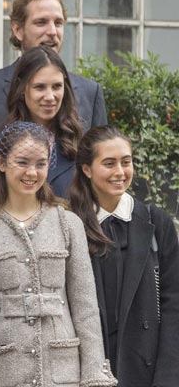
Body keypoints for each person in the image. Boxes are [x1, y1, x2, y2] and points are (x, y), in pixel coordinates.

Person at [0, 121, 116, 387]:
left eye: (40, 164)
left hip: (62, 367)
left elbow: (85, 307)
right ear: (1, 163)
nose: (31, 172)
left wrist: (94, 374)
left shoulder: (67, 223)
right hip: (2, 368)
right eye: (22, 162)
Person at [69, 125, 179, 385]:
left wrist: (168, 378)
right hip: (88, 371)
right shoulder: (70, 224)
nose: (120, 172)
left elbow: (174, 304)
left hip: (148, 372)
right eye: (109, 163)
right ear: (87, 169)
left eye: (126, 162)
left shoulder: (157, 223)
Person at [0, 0, 107, 139]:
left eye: (58, 23)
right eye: (41, 22)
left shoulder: (90, 93)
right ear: (18, 30)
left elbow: (101, 156)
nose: (52, 32)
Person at [0, 46, 84, 198]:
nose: (50, 96)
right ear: (22, 89)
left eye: (57, 87)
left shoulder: (79, 143)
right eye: (40, 87)